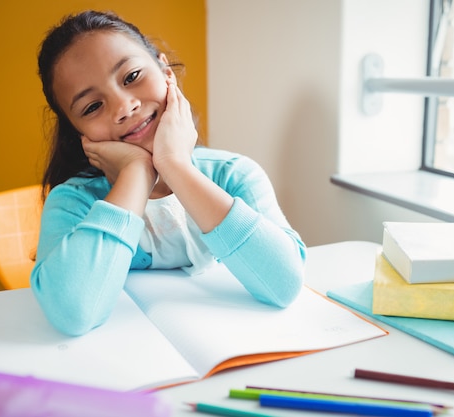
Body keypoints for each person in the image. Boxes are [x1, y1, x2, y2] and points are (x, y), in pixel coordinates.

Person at [31, 10, 306, 336]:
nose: (124, 107)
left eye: (131, 76)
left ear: (165, 72)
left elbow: (284, 285)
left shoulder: (235, 176)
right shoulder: (72, 203)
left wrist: (175, 166)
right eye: (92, 107)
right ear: (76, 130)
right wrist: (136, 173)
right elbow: (73, 313)